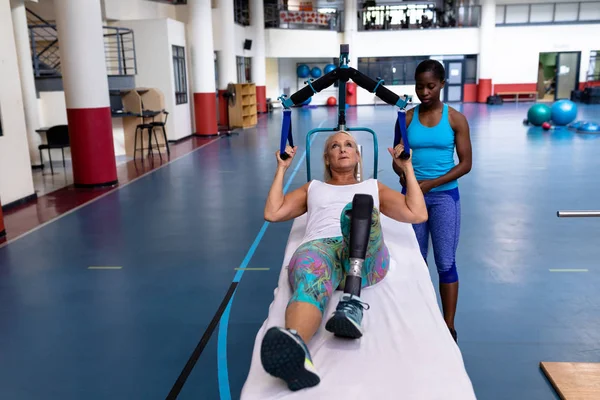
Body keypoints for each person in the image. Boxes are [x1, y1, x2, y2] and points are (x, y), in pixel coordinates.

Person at [260, 131, 427, 391]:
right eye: (335, 146)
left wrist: (407, 167)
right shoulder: (313, 188)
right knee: (309, 281)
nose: (342, 149)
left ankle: (352, 301)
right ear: (327, 158)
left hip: (366, 257)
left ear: (357, 155)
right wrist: (281, 168)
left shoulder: (373, 186)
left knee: (360, 206)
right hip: (322, 251)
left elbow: (417, 213)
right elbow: (273, 212)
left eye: (349, 145)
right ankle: (296, 352)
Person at [393, 59, 472, 343]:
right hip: (412, 199)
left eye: (430, 86)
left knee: (445, 261)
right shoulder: (407, 118)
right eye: (419, 86)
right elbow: (398, 162)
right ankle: (419, 317)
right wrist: (404, 174)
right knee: (415, 262)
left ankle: (448, 326)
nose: (424, 92)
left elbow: (465, 164)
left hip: (444, 198)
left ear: (441, 84)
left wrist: (431, 184)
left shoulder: (455, 119)